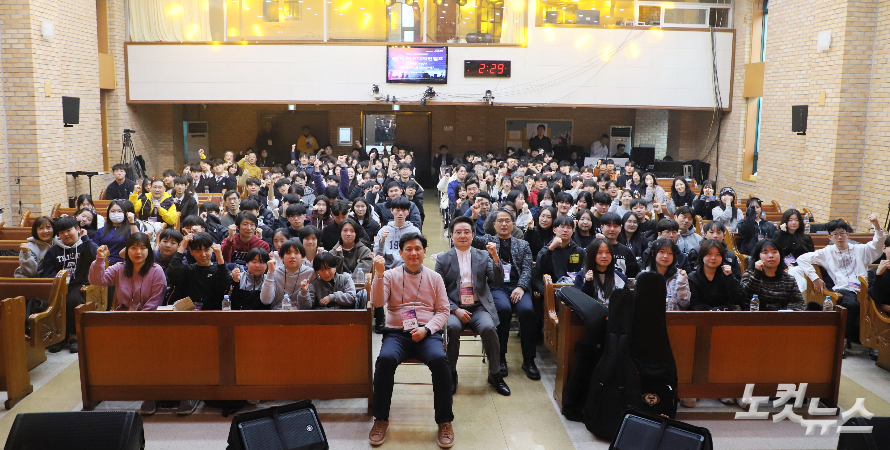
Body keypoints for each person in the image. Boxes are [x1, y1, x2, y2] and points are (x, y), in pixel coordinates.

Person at [368, 234, 454, 448]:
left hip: (427, 333)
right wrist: (378, 275)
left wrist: (427, 329)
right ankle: (380, 419)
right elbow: (378, 302)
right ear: (401, 253)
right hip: (397, 333)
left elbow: (444, 310)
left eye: (418, 248)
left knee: (440, 361)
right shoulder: (389, 275)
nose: (414, 253)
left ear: (425, 252)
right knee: (385, 360)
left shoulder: (435, 277)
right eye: (408, 249)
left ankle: (444, 421)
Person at [437, 216, 510, 397]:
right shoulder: (443, 258)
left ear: (472, 234)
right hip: (454, 307)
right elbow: (438, 290)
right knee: (452, 327)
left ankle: (495, 374)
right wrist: (455, 309)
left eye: (467, 232)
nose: (463, 235)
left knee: (489, 328)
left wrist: (495, 257)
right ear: (451, 235)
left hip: (478, 307)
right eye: (458, 232)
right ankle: (451, 374)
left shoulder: (483, 255)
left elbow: (498, 279)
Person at [472, 208, 538, 380]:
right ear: (494, 224)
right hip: (497, 286)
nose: (503, 224)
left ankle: (529, 359)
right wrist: (472, 217)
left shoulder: (522, 244)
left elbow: (527, 268)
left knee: (528, 311)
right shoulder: (487, 240)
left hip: (518, 286)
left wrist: (521, 287)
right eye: (500, 221)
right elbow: (470, 238)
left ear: (513, 224)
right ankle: (500, 357)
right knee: (503, 309)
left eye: (507, 220)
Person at [797, 216, 885, 343]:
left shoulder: (860, 249)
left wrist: (876, 224)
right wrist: (815, 278)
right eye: (835, 234)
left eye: (842, 233)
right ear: (830, 237)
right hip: (843, 288)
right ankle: (843, 339)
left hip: (863, 288)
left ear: (847, 234)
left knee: (875, 303)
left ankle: (872, 340)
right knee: (852, 305)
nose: (839, 237)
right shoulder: (826, 252)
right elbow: (802, 259)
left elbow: (877, 244)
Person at [38, 216, 98, 353]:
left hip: (82, 285)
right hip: (59, 286)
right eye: (62, 232)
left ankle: (74, 337)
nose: (66, 234)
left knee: (72, 300)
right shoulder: (53, 251)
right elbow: (47, 273)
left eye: (69, 230)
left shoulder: (86, 245)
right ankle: (59, 337)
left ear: (77, 229)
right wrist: (59, 283)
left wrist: (86, 240)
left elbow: (96, 258)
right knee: (52, 301)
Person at [90, 233, 166, 311]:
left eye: (143, 248)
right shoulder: (119, 268)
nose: (138, 252)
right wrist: (100, 259)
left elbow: (155, 302)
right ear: (127, 250)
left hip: (148, 318)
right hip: (123, 317)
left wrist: (138, 318)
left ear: (148, 251)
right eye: (133, 248)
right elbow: (96, 280)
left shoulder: (156, 271)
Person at [166, 232, 232, 311]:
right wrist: (183, 246)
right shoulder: (188, 270)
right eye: (198, 251)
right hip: (189, 315)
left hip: (213, 314)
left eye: (206, 250)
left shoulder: (220, 269)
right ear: (191, 251)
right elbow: (172, 273)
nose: (203, 254)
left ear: (212, 249)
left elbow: (226, 284)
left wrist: (220, 256)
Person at [741, 239, 806, 311]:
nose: (771, 256)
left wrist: (787, 315)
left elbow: (798, 302)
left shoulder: (789, 279)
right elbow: (746, 297)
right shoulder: (750, 275)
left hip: (782, 319)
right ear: (758, 256)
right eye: (765, 252)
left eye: (774, 252)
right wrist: (757, 274)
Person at [688, 239, 746, 311]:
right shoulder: (693, 277)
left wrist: (730, 277)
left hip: (725, 315)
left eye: (718, 254)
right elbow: (694, 304)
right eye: (709, 254)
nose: (713, 258)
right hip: (701, 317)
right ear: (702, 256)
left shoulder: (726, 275)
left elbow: (738, 299)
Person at [260, 240, 315, 310]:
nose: (292, 256)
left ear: (303, 257)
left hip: (302, 315)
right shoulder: (275, 273)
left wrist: (304, 291)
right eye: (288, 253)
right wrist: (270, 273)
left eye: (296, 253)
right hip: (277, 314)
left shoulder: (311, 273)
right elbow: (265, 300)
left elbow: (307, 306)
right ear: (281, 257)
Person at [574, 238, 628, 305]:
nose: (604, 256)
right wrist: (588, 283)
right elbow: (580, 303)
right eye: (599, 252)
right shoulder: (582, 276)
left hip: (614, 314)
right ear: (592, 255)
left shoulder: (622, 278)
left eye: (608, 252)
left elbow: (625, 303)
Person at [640, 238, 691, 309]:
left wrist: (681, 284)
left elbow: (684, 304)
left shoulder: (679, 275)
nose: (666, 256)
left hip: (675, 317)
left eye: (670, 253)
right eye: (662, 252)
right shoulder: (644, 275)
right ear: (653, 253)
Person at [374, 196, 421, 269]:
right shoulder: (383, 231)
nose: (400, 213)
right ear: (391, 211)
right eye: (397, 210)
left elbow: (419, 255)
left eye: (403, 210)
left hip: (409, 269)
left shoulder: (414, 231)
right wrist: (382, 241)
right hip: (388, 270)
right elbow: (378, 256)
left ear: (408, 212)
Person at [598, 212, 641, 277]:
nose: (612, 229)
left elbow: (633, 276)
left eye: (615, 226)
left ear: (620, 228)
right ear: (601, 227)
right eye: (608, 226)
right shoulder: (594, 249)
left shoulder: (627, 252)